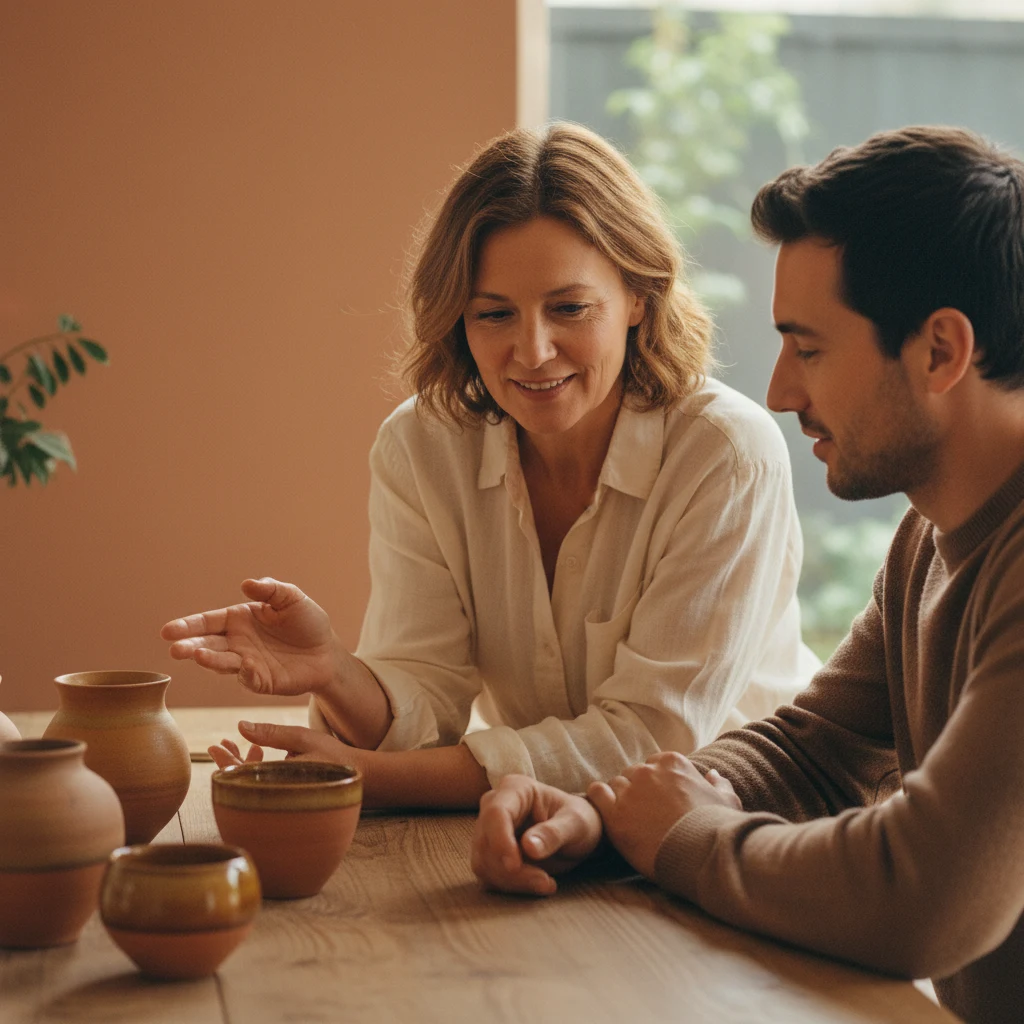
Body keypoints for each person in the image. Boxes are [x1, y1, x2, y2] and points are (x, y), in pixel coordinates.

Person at [470, 125, 1024, 1024]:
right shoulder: (929, 537)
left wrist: (688, 836)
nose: (778, 391)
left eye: (808, 348)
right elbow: (814, 747)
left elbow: (925, 898)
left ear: (940, 351)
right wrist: (605, 817)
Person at [161, 122, 812, 809]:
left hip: (747, 826)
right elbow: (425, 699)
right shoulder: (420, 447)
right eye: (494, 314)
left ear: (637, 298)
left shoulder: (727, 453)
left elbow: (651, 738)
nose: (531, 352)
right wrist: (335, 671)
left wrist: (365, 779)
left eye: (569, 308)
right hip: (543, 822)